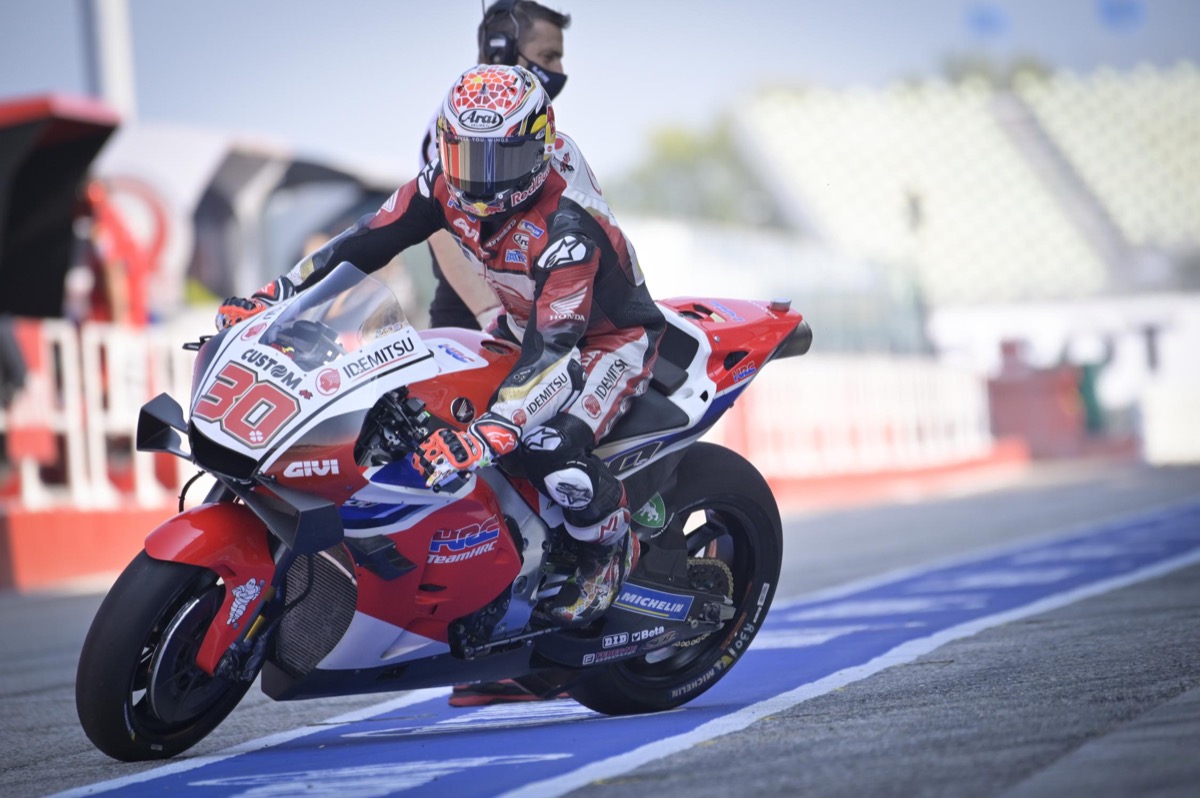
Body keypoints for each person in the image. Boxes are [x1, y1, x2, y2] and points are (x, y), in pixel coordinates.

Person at [217, 64, 664, 635]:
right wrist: (276, 296)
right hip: (522, 321)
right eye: (466, 157)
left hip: (606, 340)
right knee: (416, 395)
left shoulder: (569, 229)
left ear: (537, 150)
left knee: (546, 444)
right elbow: (364, 241)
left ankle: (609, 547)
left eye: (498, 161)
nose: (479, 181)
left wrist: (487, 435)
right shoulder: (442, 185)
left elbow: (556, 352)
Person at [422, 0, 571, 331]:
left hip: (527, 322)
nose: (559, 70)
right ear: (500, 52)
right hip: (474, 322)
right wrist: (492, 320)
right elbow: (439, 225)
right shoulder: (460, 126)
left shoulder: (533, 125)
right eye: (548, 56)